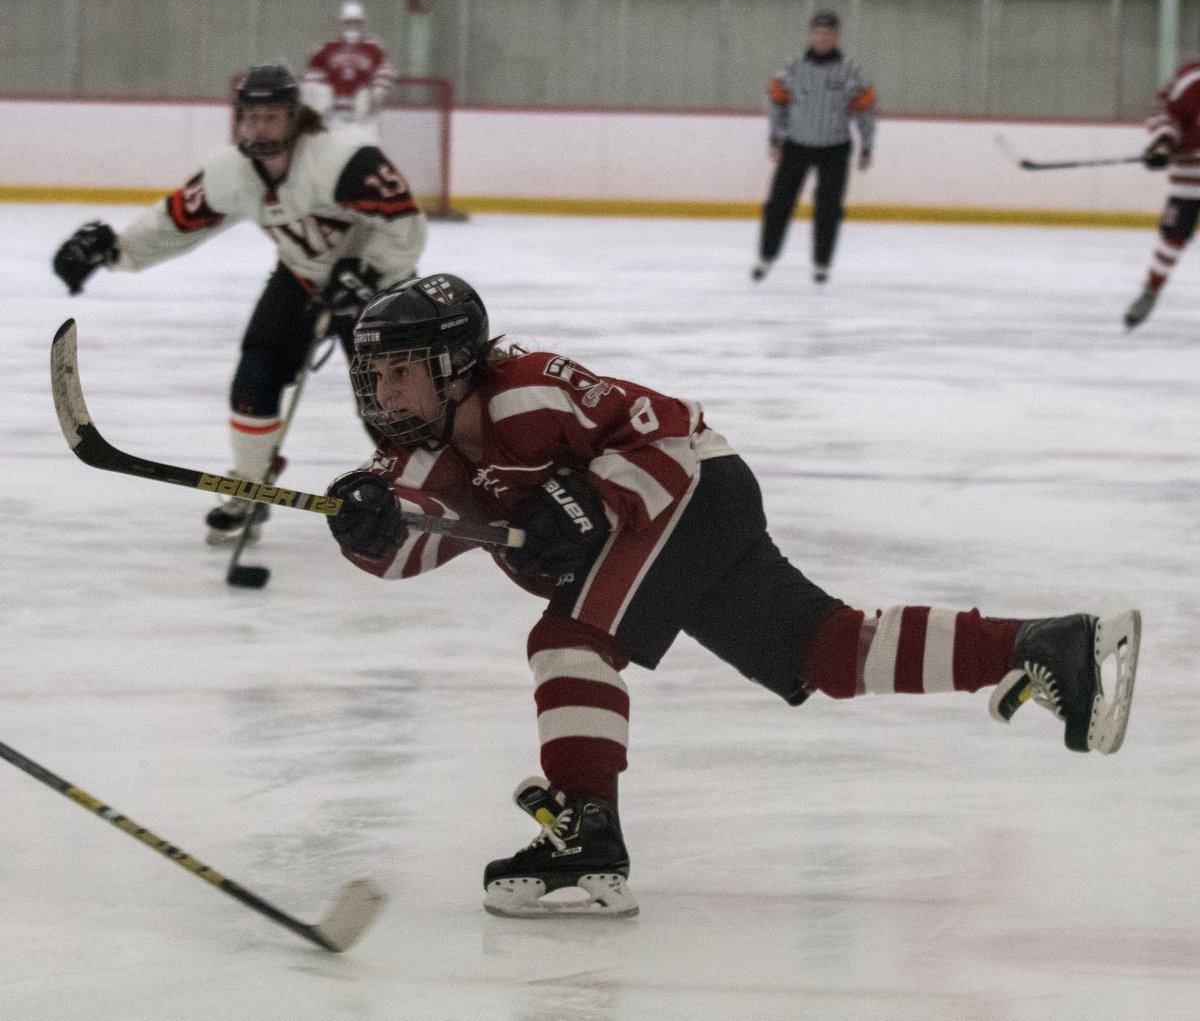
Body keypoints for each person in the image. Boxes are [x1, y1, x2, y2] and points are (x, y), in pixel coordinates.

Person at [320, 272, 1141, 919]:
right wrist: (367, 522)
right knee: (825, 649)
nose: (385, 393)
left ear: (456, 366)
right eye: (376, 375)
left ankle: (587, 832)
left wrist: (597, 501)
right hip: (678, 517)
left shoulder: (528, 390)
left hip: (692, 489)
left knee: (570, 640)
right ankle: (1046, 644)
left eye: (401, 372)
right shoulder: (427, 453)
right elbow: (418, 525)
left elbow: (666, 430)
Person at [51, 63, 427, 544]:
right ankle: (250, 490)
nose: (259, 128)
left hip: (379, 288)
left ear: (296, 118)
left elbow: (405, 225)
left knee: (386, 401)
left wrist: (369, 271)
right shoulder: (231, 172)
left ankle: (429, 492)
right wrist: (114, 251)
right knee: (255, 376)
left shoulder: (345, 160)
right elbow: (176, 222)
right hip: (302, 278)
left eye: (272, 117)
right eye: (251, 117)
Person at [751, 10, 877, 286]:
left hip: (835, 147)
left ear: (837, 37)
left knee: (829, 208)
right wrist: (775, 138)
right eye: (818, 33)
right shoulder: (792, 70)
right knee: (778, 205)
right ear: (811, 35)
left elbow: (866, 110)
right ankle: (766, 256)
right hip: (797, 144)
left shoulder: (851, 72)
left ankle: (822, 263)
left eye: (828, 34)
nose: (823, 38)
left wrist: (867, 146)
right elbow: (776, 102)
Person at [1124, 58, 1200, 329]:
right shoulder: (1191, 81)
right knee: (1173, 237)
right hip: (1190, 178)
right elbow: (1164, 114)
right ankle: (1151, 291)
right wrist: (1163, 143)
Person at [301, 0, 398, 140]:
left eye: (355, 22)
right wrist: (316, 100)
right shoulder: (327, 48)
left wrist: (379, 91)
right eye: (348, 22)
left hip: (362, 112)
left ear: (362, 23)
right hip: (332, 112)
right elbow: (311, 77)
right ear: (342, 23)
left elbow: (386, 71)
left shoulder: (374, 48)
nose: (352, 26)